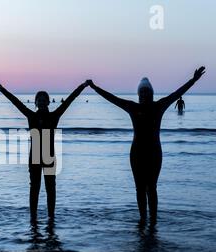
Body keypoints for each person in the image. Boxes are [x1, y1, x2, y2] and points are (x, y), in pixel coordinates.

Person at [87, 66, 205, 222]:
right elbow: (112, 98)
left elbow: (177, 93)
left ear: (151, 93)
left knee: (152, 188)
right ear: (138, 94)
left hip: (154, 153)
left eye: (146, 91)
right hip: (136, 153)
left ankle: (153, 220)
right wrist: (95, 88)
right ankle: (143, 219)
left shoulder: (159, 106)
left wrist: (193, 80)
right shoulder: (132, 107)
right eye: (141, 92)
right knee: (139, 189)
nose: (144, 94)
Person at [0, 82, 89, 216]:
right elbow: (15, 102)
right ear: (35, 102)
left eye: (44, 100)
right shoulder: (31, 116)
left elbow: (70, 100)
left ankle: (51, 216)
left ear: (48, 102)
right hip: (34, 156)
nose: (41, 102)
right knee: (34, 188)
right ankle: (33, 217)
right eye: (39, 100)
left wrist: (83, 86)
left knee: (50, 188)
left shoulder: (54, 115)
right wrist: (1, 89)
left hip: (49, 155)